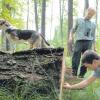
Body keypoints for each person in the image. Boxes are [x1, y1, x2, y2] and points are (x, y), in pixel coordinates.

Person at [69, 7, 96, 78]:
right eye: (89, 13)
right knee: (76, 56)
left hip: (88, 42)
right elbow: (72, 30)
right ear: (86, 12)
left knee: (86, 58)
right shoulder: (78, 20)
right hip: (79, 41)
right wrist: (70, 37)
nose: (90, 16)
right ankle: (74, 73)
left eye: (92, 15)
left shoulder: (93, 24)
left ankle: (82, 74)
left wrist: (94, 46)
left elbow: (93, 36)